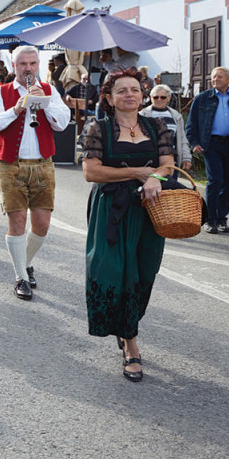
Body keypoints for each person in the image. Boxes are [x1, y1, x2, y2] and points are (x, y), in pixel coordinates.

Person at [78, 67, 178, 383]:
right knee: (111, 272)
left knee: (144, 272)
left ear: (142, 93)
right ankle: (130, 344)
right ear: (109, 97)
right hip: (111, 209)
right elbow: (92, 172)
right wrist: (137, 173)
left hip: (150, 209)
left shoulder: (156, 125)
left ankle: (127, 325)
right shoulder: (98, 129)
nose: (129, 95)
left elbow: (168, 166)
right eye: (121, 90)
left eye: (134, 89)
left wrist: (153, 178)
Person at [0, 45, 70, 301]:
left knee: (42, 224)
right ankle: (20, 276)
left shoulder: (49, 90)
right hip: (11, 164)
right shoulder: (1, 92)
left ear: (38, 65)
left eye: (32, 63)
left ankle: (25, 262)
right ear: (14, 66)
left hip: (43, 163)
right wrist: (18, 108)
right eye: (23, 64)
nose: (28, 68)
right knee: (17, 222)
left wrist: (43, 104)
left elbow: (62, 124)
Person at [185, 66, 229, 234]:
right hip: (211, 144)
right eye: (213, 77)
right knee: (215, 180)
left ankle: (222, 219)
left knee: (228, 183)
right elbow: (191, 124)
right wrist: (194, 143)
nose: (215, 79)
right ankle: (211, 219)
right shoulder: (202, 99)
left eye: (219, 77)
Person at [139, 84, 194, 170]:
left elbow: (182, 139)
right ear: (150, 97)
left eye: (163, 97)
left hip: (171, 163)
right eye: (156, 97)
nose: (159, 99)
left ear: (169, 98)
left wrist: (186, 158)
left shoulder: (176, 116)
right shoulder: (142, 115)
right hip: (149, 163)